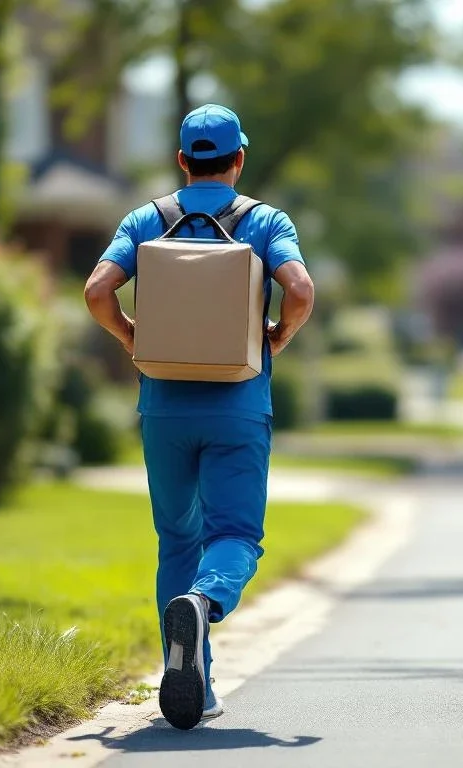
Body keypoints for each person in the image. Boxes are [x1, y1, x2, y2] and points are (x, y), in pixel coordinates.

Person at [84, 104, 314, 730]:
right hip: (239, 405)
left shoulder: (145, 219)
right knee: (235, 536)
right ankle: (205, 600)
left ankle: (196, 683)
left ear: (183, 160)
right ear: (239, 159)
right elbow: (299, 291)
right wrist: (279, 338)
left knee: (177, 540)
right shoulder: (266, 221)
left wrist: (132, 339)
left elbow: (97, 292)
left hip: (163, 407)